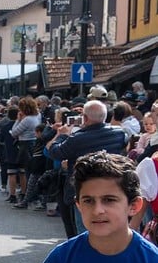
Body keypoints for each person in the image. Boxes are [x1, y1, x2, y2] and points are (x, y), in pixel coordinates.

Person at [48, 100, 130, 239]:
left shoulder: (77, 138)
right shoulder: (120, 134)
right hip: (111, 187)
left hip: (83, 189)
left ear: (85, 118)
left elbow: (55, 152)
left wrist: (62, 134)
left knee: (84, 231)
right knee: (108, 228)